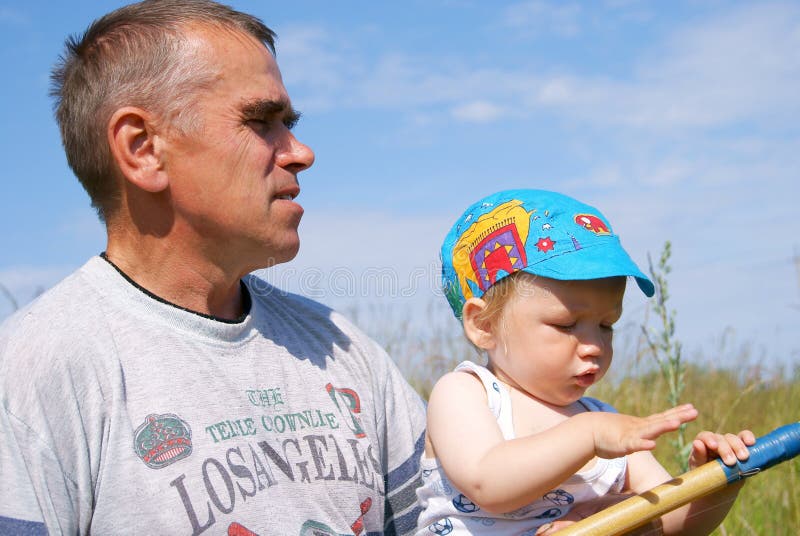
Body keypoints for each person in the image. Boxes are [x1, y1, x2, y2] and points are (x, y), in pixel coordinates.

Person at [0, 1, 426, 534]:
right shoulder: (36, 376)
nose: (302, 153)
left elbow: (445, 520)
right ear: (143, 149)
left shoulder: (342, 348)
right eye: (261, 121)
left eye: (289, 124)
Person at [416, 189, 755, 535]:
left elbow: (674, 524)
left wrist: (717, 481)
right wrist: (589, 435)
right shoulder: (465, 393)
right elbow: (486, 483)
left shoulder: (605, 423)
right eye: (566, 325)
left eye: (607, 326)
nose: (594, 345)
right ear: (484, 324)